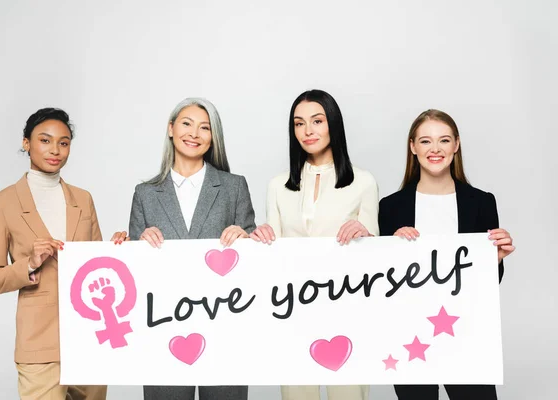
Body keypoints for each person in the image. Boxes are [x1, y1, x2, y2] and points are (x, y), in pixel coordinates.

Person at [112, 97, 255, 400]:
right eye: (187, 124)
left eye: (205, 128)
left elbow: (255, 257)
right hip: (163, 327)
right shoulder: (146, 194)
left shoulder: (234, 187)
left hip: (224, 324)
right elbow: (134, 274)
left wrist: (245, 239)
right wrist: (135, 244)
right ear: (171, 129)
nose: (194, 133)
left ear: (213, 138)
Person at [378, 109, 515, 400]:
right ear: (413, 148)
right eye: (426, 141)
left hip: (465, 330)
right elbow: (382, 284)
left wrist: (496, 260)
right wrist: (392, 248)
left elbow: (488, 282)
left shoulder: (481, 202)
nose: (435, 149)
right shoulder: (390, 207)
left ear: (456, 145)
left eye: (444, 140)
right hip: (410, 333)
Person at [250, 89, 378, 400]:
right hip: (294, 310)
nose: (307, 131)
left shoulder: (363, 182)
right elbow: (274, 252)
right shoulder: (277, 186)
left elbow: (377, 259)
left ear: (333, 124)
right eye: (299, 123)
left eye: (317, 121)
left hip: (347, 309)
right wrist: (261, 237)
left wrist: (367, 235)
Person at [0, 108, 107, 400]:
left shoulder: (83, 199)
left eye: (64, 142)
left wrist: (118, 249)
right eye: (45, 140)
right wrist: (29, 264)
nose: (55, 150)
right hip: (40, 341)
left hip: (91, 337)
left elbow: (98, 265)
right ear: (27, 144)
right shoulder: (3, 203)